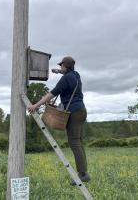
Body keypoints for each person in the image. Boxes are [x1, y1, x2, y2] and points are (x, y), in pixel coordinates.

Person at [28, 56, 90, 185]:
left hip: (73, 113)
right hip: (81, 111)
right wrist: (57, 71)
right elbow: (66, 71)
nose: (61, 67)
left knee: (74, 142)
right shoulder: (75, 75)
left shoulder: (66, 78)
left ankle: (83, 174)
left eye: (61, 66)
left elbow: (52, 93)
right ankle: (84, 172)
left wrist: (36, 106)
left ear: (65, 66)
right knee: (79, 142)